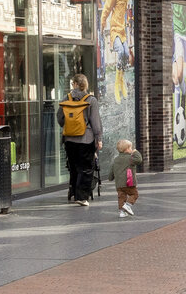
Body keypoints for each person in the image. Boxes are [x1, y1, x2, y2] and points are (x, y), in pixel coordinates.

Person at [58, 73, 101, 207]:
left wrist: (69, 126)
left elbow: (60, 118)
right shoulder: (91, 100)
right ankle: (81, 197)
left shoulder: (66, 98)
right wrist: (99, 138)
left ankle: (73, 193)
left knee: (74, 167)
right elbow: (95, 122)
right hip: (86, 139)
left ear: (75, 84)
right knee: (86, 168)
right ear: (85, 84)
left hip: (69, 139)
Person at [108, 138, 144, 218]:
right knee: (134, 194)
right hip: (129, 182)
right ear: (127, 149)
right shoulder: (130, 158)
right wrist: (135, 152)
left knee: (121, 197)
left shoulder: (116, 159)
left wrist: (110, 178)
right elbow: (139, 160)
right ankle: (127, 205)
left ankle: (122, 212)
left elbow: (112, 170)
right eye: (131, 147)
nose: (132, 149)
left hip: (119, 184)